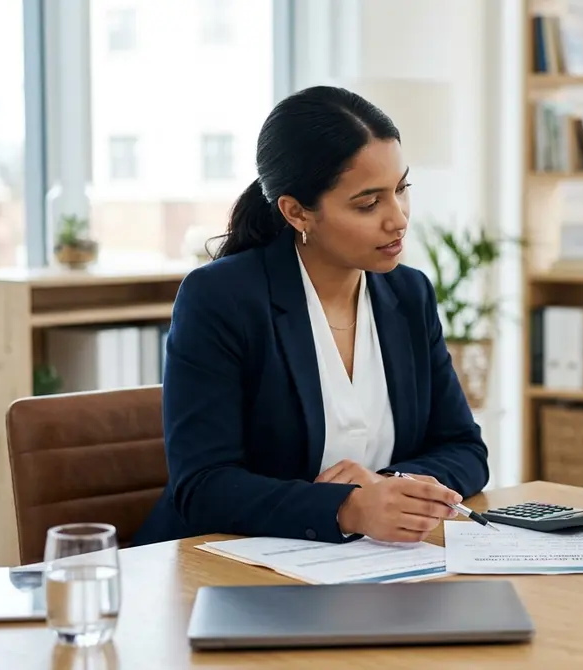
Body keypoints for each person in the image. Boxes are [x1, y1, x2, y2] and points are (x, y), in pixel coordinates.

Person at [133, 86, 490, 547]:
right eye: (368, 203)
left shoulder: (409, 293)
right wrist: (347, 507)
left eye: (401, 189)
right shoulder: (221, 298)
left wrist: (390, 484)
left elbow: (465, 449)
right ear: (297, 212)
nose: (398, 218)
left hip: (367, 570)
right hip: (228, 574)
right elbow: (202, 486)